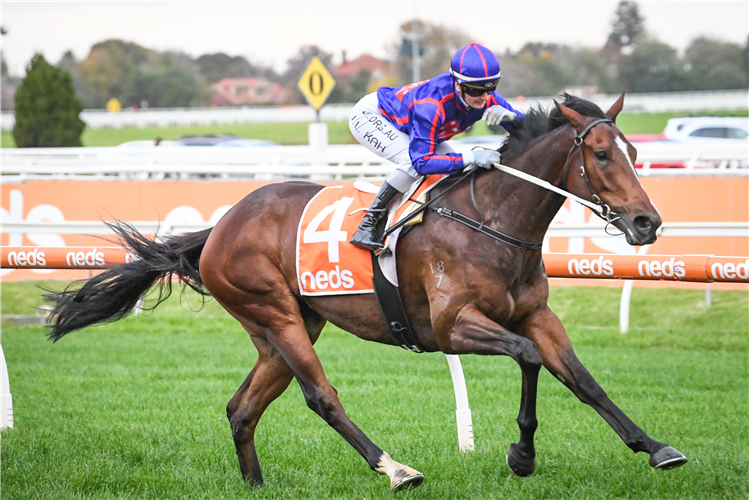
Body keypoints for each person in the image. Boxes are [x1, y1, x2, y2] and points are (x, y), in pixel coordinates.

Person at [348, 43, 525, 251]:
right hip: (372, 116)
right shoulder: (431, 105)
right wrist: (472, 157)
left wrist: (515, 119)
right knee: (412, 162)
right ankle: (368, 224)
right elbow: (422, 162)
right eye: (477, 91)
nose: (485, 98)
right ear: (458, 85)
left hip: (408, 124)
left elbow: (533, 130)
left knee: (456, 168)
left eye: (491, 88)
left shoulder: (485, 95)